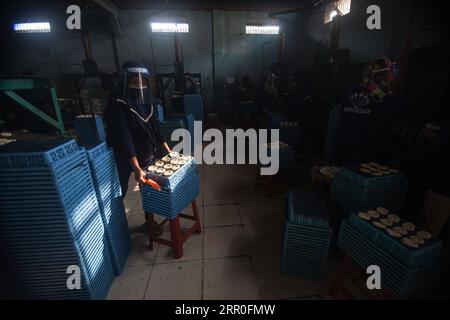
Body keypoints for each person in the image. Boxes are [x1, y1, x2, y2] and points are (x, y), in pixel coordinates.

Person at [104, 60, 171, 234]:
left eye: (143, 82)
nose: (140, 86)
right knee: (120, 191)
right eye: (134, 82)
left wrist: (169, 151)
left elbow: (156, 127)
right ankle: (115, 229)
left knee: (147, 190)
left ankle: (149, 222)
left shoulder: (148, 101)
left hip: (146, 152)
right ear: (125, 82)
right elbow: (124, 136)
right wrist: (136, 167)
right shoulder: (117, 103)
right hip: (124, 156)